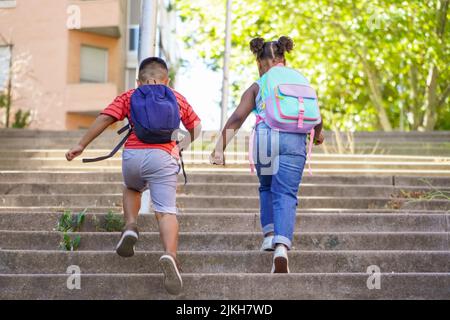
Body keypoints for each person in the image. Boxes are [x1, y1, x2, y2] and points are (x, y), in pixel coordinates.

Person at [66, 57, 202, 295]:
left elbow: (105, 118)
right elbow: (197, 126)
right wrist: (181, 146)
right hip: (163, 157)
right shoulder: (176, 97)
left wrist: (81, 145)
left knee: (132, 188)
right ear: (166, 79)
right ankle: (170, 255)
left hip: (133, 157)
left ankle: (130, 225)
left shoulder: (130, 95)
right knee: (165, 211)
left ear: (138, 80)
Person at [210, 36, 324, 273]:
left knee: (267, 187)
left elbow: (237, 118)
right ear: (283, 58)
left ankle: (269, 235)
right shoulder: (300, 79)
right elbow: (316, 114)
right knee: (286, 193)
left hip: (265, 138)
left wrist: (219, 148)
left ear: (259, 61)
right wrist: (319, 134)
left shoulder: (258, 85)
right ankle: (281, 247)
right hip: (294, 141)